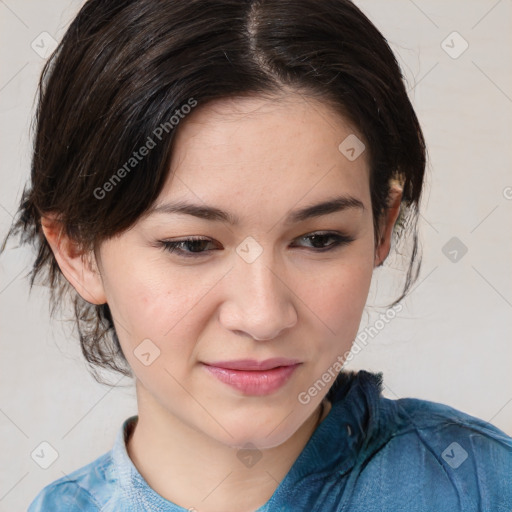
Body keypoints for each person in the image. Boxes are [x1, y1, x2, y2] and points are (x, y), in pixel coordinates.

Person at [2, 0, 510, 510]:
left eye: (319, 239)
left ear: (384, 226)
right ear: (78, 251)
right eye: (192, 245)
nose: (263, 316)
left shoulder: (485, 487)